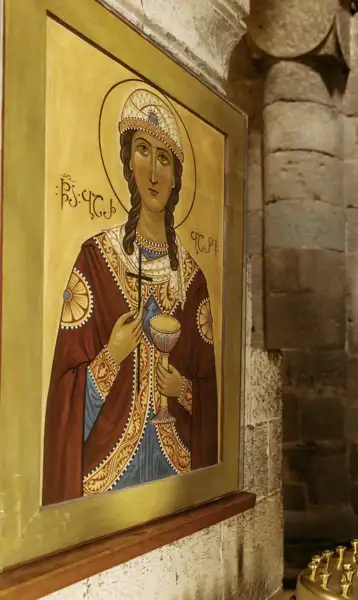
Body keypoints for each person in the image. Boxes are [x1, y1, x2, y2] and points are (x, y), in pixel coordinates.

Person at [42, 89, 219, 505]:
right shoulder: (96, 260)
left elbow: (212, 393)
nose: (154, 172)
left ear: (176, 176)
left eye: (164, 158)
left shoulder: (193, 281)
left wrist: (184, 391)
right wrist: (111, 357)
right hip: (106, 477)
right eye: (143, 151)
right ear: (127, 163)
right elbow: (63, 394)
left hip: (175, 472)